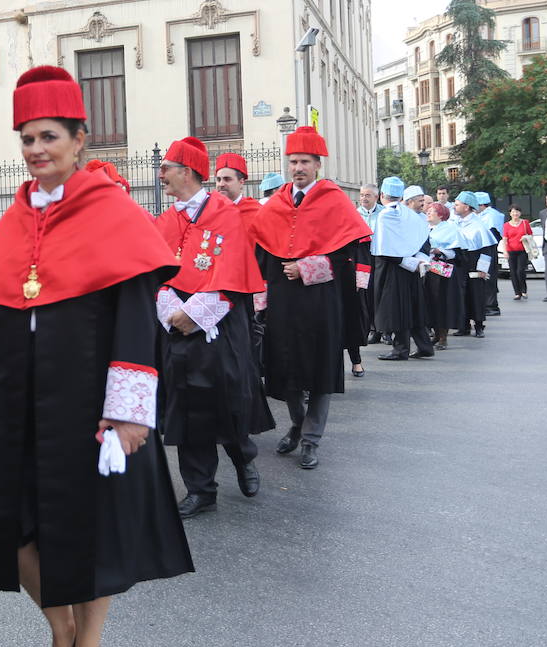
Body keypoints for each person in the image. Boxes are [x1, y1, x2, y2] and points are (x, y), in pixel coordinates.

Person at [0, 66, 192, 647]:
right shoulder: (12, 217)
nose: (37, 150)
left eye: (48, 137)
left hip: (87, 406)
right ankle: (59, 629)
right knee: (10, 530)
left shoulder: (112, 211)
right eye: (27, 139)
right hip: (15, 403)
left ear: (79, 140)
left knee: (88, 535)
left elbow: (131, 320)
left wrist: (127, 411)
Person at [155, 138, 273, 517]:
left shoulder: (223, 212)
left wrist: (197, 313)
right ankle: (200, 489)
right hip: (177, 330)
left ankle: (243, 458)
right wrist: (171, 309)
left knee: (225, 405)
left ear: (186, 172)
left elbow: (233, 274)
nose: (161, 175)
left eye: (167, 168)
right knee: (188, 409)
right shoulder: (167, 219)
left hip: (218, 329)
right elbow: (156, 271)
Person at [245, 126, 371, 470]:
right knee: (284, 368)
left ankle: (312, 439)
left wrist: (309, 267)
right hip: (284, 302)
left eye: (304, 161)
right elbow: (262, 254)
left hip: (321, 301)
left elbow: (346, 255)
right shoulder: (277, 203)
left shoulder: (334, 199)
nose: (297, 168)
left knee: (319, 371)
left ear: (317, 165)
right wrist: (262, 299)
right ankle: (298, 424)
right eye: (293, 161)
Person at [371, 178, 434, 361]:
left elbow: (384, 249)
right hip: (411, 267)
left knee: (397, 308)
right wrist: (417, 261)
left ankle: (400, 349)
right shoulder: (411, 215)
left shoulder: (385, 215)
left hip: (393, 269)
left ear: (382, 195)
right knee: (414, 307)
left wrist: (406, 262)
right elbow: (423, 240)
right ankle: (424, 346)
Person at [452, 192, 497, 337]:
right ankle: (463, 325)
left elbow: (486, 250)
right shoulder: (455, 222)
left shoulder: (478, 225)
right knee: (461, 294)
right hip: (460, 262)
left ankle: (478, 325)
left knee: (476, 294)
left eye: (457, 204)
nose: (454, 206)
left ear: (466, 207)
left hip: (474, 263)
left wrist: (483, 269)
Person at [423, 203, 464, 349]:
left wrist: (440, 251)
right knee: (429, 303)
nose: (428, 213)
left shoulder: (450, 229)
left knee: (442, 303)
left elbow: (457, 252)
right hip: (426, 270)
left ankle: (443, 337)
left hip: (442, 273)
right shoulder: (424, 228)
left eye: (432, 211)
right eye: (427, 211)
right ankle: (435, 333)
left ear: (441, 214)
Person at [356, 183, 383, 347]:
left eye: (367, 195)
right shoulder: (355, 214)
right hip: (363, 258)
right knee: (366, 293)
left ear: (376, 197)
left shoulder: (383, 214)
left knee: (380, 292)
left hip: (380, 257)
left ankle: (383, 329)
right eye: (361, 195)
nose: (363, 198)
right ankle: (370, 328)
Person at [475, 193, 506, 315]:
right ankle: (487, 304)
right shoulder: (485, 214)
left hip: (488, 249)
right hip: (485, 249)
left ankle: (491, 306)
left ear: (481, 204)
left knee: (488, 276)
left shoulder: (491, 216)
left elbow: (493, 234)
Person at [502, 206, 533, 300]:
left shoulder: (525, 223)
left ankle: (523, 290)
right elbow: (505, 239)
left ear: (520, 213)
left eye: (517, 212)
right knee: (513, 272)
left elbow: (531, 234)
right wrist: (505, 251)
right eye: (513, 212)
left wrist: (525, 237)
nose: (515, 214)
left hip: (522, 250)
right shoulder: (506, 225)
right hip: (511, 251)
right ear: (510, 213)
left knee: (520, 271)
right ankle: (517, 293)